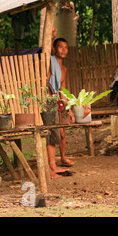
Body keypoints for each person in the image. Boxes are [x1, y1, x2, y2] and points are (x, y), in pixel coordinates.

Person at [47, 36, 75, 178]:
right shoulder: (48, 63)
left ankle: (57, 162)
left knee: (59, 133)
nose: (63, 50)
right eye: (60, 47)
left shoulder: (64, 69)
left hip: (58, 102)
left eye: (65, 47)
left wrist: (68, 109)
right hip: (47, 102)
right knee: (50, 134)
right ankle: (50, 167)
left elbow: (62, 90)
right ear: (54, 48)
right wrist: (51, 36)